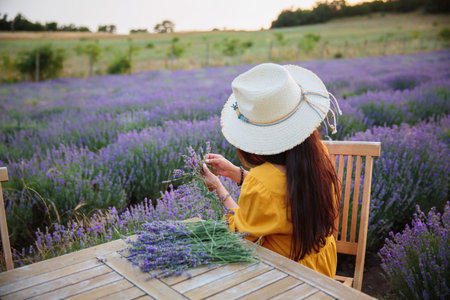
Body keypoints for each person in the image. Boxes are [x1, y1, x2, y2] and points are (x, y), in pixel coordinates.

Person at [201, 63, 342, 278]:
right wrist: (234, 173)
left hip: (287, 276)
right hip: (322, 266)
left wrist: (218, 188)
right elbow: (284, 191)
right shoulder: (317, 153)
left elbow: (240, 233)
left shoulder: (262, 181)